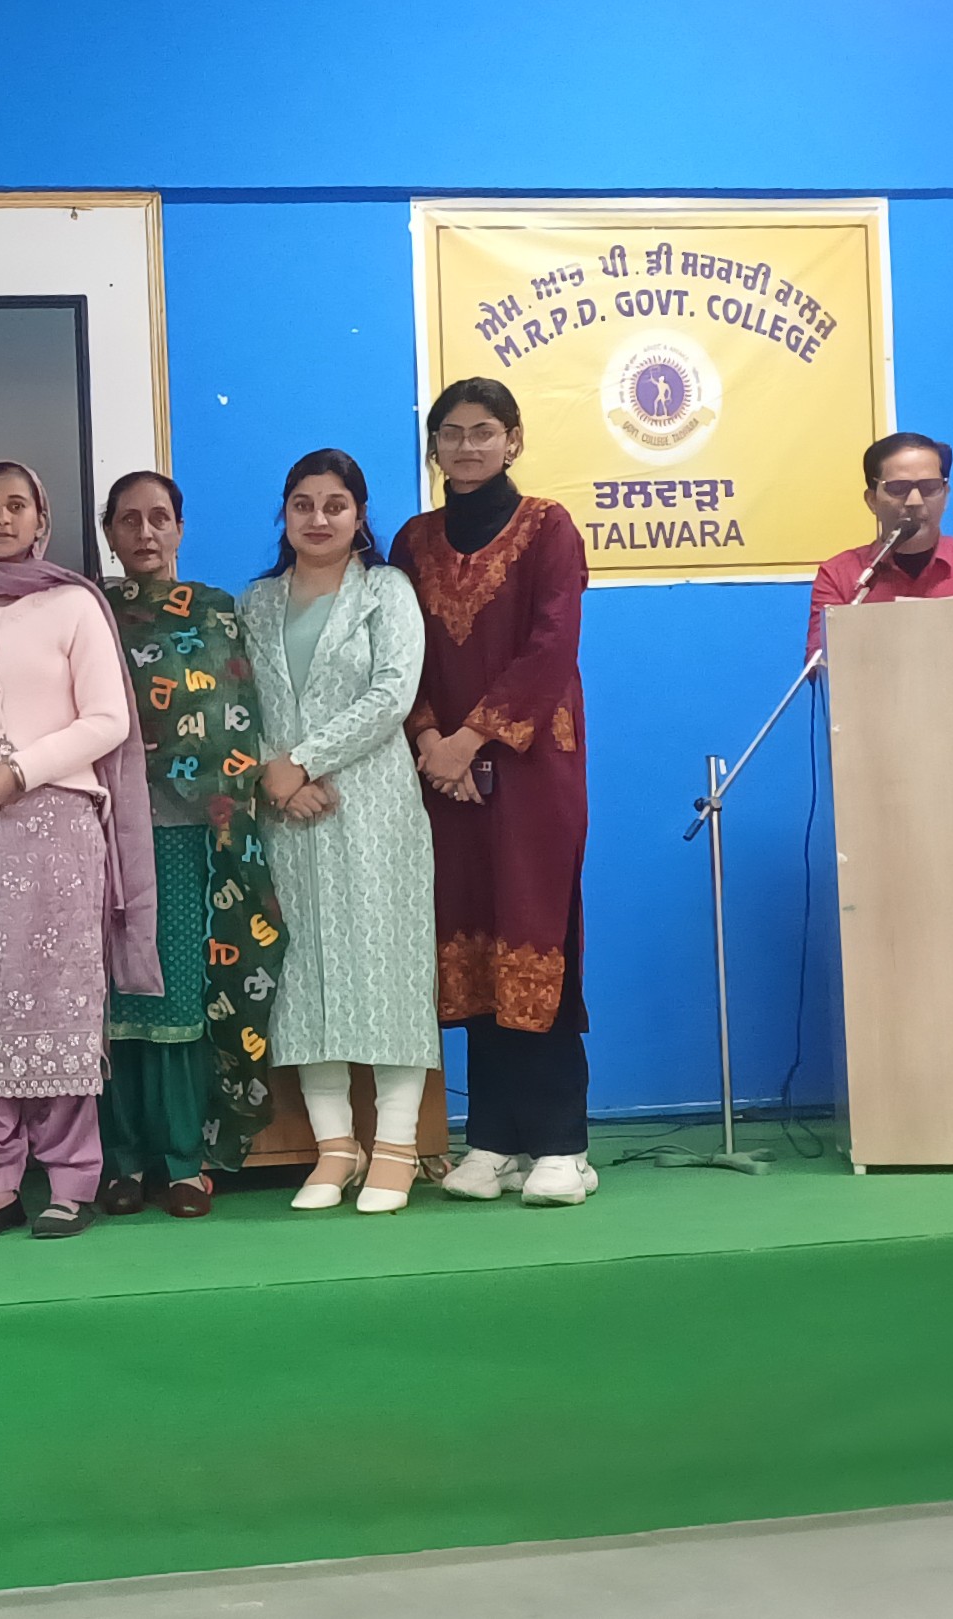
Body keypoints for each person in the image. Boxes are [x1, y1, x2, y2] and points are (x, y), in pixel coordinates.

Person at [0, 461, 159, 1241]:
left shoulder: (73, 603)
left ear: (41, 519)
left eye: (16, 504)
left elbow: (108, 719)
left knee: (58, 1003)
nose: (2, 517)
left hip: (55, 825)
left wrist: (21, 770)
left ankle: (71, 1179)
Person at [390, 379, 599, 1208]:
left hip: (531, 767)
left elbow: (551, 646)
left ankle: (561, 1143)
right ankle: (492, 1140)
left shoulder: (548, 527)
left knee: (534, 935)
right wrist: (428, 740)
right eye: (451, 432)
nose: (466, 446)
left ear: (512, 440)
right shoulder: (412, 540)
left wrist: (469, 739)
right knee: (469, 942)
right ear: (433, 446)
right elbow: (399, 651)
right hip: (441, 775)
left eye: (483, 432)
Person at [239, 449, 442, 1214]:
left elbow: (392, 694)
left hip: (371, 806)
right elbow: (239, 702)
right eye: (302, 504)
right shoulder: (256, 602)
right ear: (284, 515)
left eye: (334, 505)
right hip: (286, 813)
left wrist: (302, 761)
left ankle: (395, 1145)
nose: (317, 518)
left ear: (358, 516)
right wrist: (276, 775)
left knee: (385, 968)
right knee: (302, 975)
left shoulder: (385, 591)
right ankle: (335, 1146)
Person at [95, 471, 287, 1219]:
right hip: (102, 832)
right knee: (111, 997)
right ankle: (121, 1162)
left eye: (159, 518)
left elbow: (240, 711)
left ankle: (181, 1162)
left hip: (187, 833)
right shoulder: (87, 611)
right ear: (109, 533)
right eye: (128, 520)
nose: (144, 533)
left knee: (175, 991)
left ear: (179, 527)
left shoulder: (215, 611)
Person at [805, 432, 953, 659]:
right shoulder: (839, 576)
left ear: (945, 495)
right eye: (898, 488)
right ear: (872, 500)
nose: (914, 501)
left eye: (930, 487)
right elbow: (821, 666)